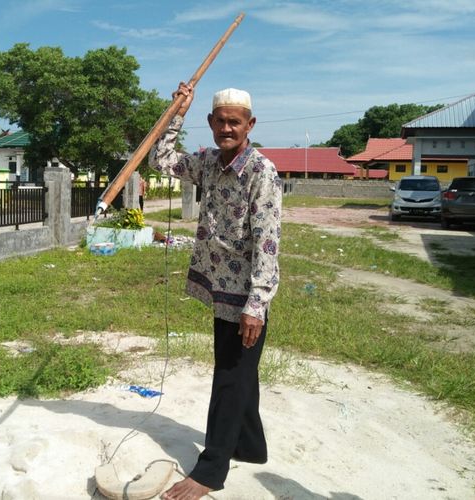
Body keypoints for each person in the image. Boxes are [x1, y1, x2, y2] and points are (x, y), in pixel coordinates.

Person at [148, 83, 282, 500]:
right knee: (239, 371)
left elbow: (267, 241)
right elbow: (160, 159)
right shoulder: (206, 162)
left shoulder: (262, 172)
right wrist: (178, 111)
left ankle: (212, 470)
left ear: (250, 125)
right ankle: (250, 447)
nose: (227, 128)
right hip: (218, 286)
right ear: (211, 123)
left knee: (229, 377)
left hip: (245, 296)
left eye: (235, 122)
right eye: (220, 121)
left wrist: (256, 305)